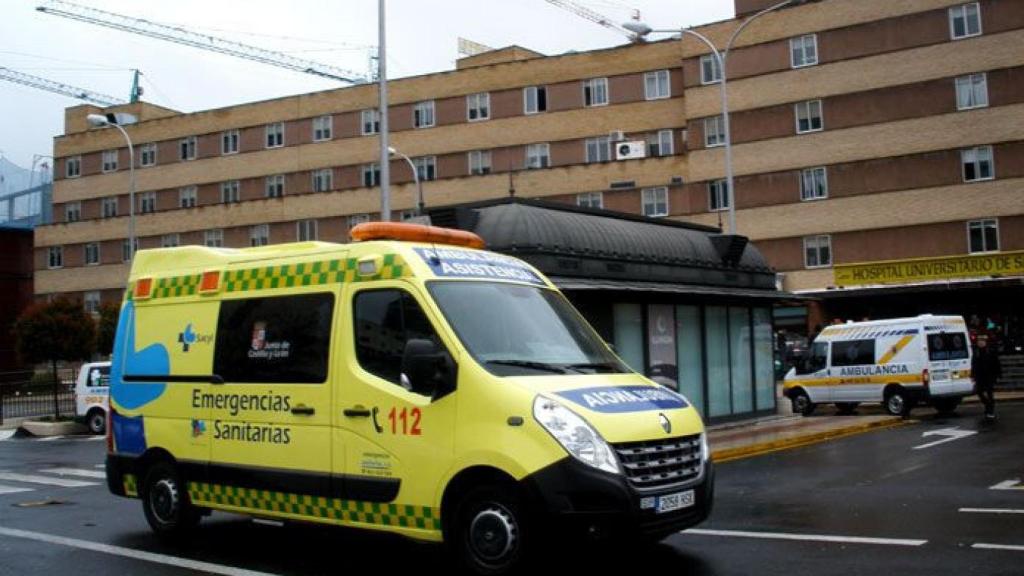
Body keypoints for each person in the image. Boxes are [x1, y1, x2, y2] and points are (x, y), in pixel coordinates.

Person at [972, 337, 1001, 420]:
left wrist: (997, 375)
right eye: (979, 341)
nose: (980, 343)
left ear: (985, 342)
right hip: (980, 376)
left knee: (989, 393)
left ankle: (990, 411)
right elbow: (974, 364)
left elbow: (996, 363)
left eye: (982, 341)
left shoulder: (990, 351)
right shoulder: (976, 352)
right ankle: (987, 405)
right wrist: (973, 375)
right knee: (979, 392)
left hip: (989, 376)